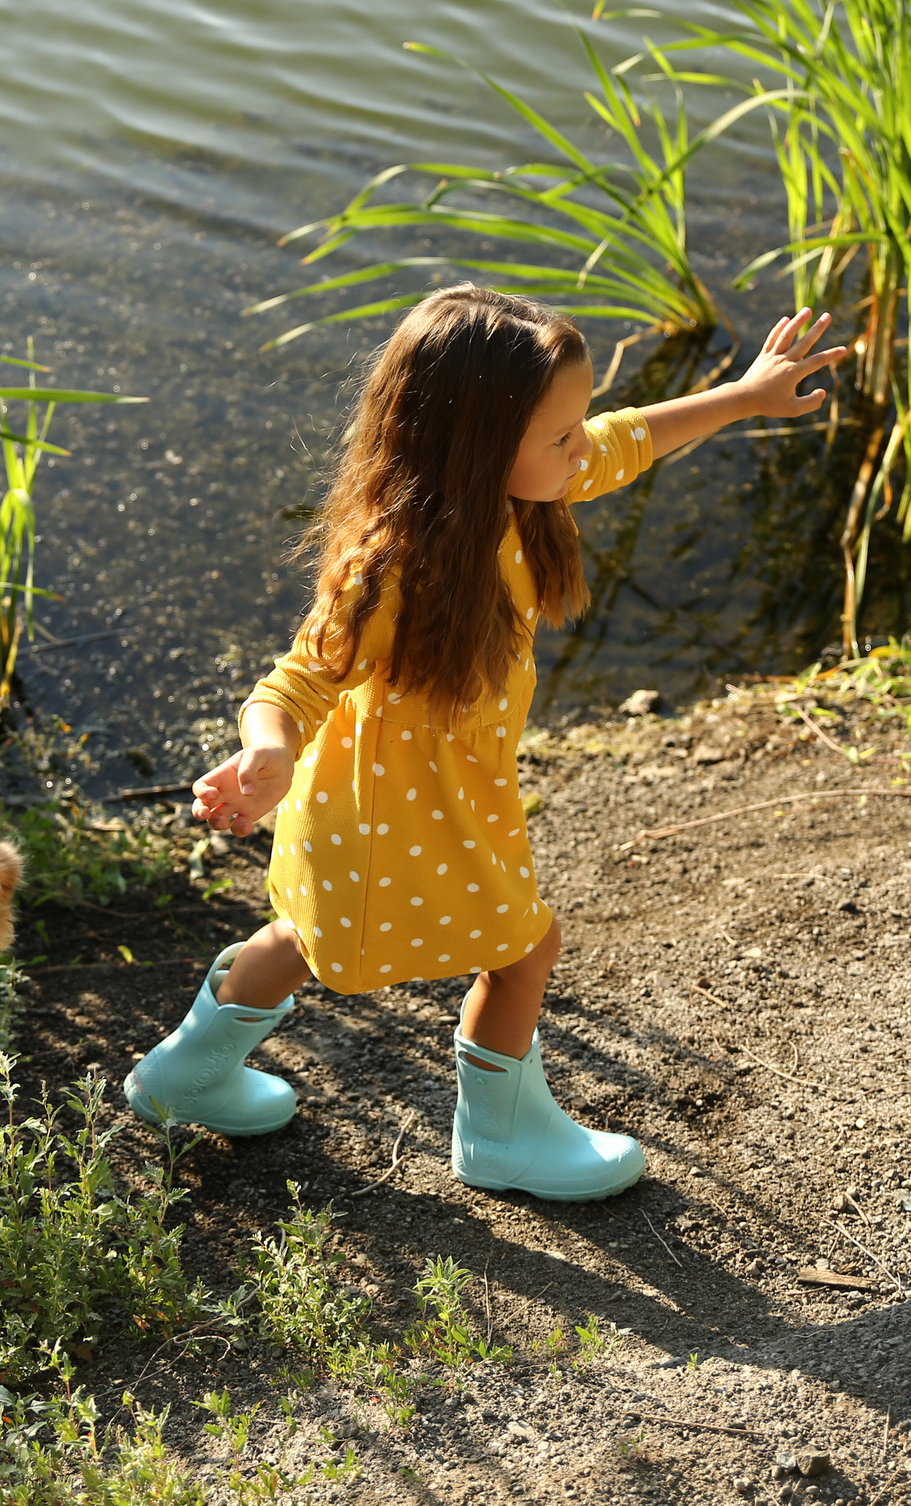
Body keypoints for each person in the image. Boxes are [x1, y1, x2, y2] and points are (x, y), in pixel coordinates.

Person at [127, 285, 844, 1200]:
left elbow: (628, 440)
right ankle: (499, 1137)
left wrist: (745, 394)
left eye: (576, 426)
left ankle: (182, 1077)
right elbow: (295, 682)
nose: (582, 445)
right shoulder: (394, 565)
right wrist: (267, 750)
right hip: (387, 813)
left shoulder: (523, 487)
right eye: (562, 434)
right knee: (520, 949)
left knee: (305, 936)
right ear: (476, 442)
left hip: (441, 797)